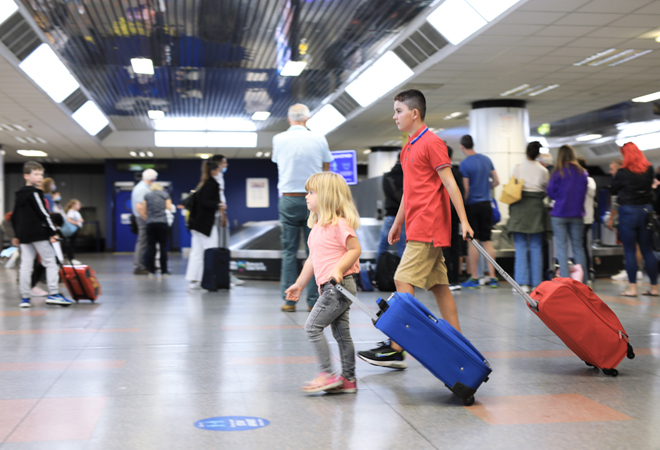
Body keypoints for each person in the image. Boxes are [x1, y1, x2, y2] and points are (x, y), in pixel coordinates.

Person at [358, 89, 474, 369]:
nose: (394, 116)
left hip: (430, 225)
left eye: (398, 111)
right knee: (439, 287)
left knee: (402, 279)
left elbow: (450, 184)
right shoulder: (408, 147)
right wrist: (398, 222)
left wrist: (465, 221)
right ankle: (460, 346)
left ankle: (398, 347)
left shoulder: (432, 143)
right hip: (416, 224)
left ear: (414, 113)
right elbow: (409, 192)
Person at [285, 172, 361, 393]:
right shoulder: (317, 227)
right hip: (331, 288)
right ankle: (348, 380)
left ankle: (327, 374)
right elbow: (312, 259)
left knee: (312, 327)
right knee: (341, 334)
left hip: (339, 286)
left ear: (327, 196)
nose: (306, 196)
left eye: (311, 192)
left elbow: (355, 249)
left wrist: (338, 269)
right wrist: (299, 284)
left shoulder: (339, 224)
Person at [272, 103, 333, 312]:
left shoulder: (278, 139)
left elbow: (278, 163)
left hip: (288, 199)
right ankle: (313, 301)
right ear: (307, 119)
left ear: (290, 119)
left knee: (289, 251)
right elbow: (326, 171)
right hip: (314, 200)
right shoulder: (319, 138)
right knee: (314, 250)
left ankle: (289, 300)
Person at [11, 161, 72, 308]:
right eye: (36, 174)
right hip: (38, 234)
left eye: (41, 174)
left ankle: (25, 298)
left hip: (25, 236)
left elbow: (15, 216)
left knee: (26, 265)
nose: (39, 177)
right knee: (50, 262)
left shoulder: (19, 194)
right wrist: (52, 232)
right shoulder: (34, 193)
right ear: (26, 176)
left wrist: (17, 235)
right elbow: (44, 213)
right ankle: (53, 293)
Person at [610, 142, 658, 297]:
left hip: (628, 212)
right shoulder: (649, 169)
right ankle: (654, 288)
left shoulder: (623, 172)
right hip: (645, 211)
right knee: (647, 250)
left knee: (630, 250)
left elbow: (614, 189)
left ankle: (632, 289)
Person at [507, 142, 550, 292]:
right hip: (537, 209)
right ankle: (537, 282)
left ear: (526, 152)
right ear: (538, 154)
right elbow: (546, 189)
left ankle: (521, 283)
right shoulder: (543, 170)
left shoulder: (517, 167)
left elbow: (511, 185)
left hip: (519, 208)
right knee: (537, 246)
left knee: (520, 246)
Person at [459, 134, 500, 288]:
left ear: (462, 147)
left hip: (472, 206)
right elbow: (496, 181)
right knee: (487, 241)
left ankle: (475, 277)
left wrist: (463, 204)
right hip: (486, 205)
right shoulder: (486, 160)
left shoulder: (464, 165)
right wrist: (486, 190)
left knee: (473, 242)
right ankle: (493, 277)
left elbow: (467, 189)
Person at [547, 145, 588, 281]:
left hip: (559, 214)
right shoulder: (582, 172)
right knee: (578, 247)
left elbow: (551, 192)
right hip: (577, 214)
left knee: (562, 248)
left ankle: (565, 280)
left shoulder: (557, 172)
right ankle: (583, 280)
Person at [185, 161, 221, 289]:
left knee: (197, 252)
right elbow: (206, 202)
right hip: (205, 224)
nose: (220, 173)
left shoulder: (202, 184)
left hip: (196, 224)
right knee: (210, 250)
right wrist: (219, 205)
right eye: (219, 170)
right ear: (213, 171)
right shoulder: (212, 184)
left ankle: (194, 279)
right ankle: (208, 280)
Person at [376, 155, 406, 262]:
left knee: (382, 246)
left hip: (390, 214)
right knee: (403, 247)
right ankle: (402, 276)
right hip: (403, 216)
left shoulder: (387, 176)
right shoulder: (407, 176)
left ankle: (378, 274)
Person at [445, 145, 465, 291]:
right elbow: (462, 193)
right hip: (456, 215)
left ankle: (447, 278)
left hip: (443, 214)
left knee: (444, 247)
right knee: (455, 246)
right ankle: (456, 279)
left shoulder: (440, 172)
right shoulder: (457, 172)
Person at [132, 168, 158, 274]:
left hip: (143, 218)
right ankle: (139, 266)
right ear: (153, 179)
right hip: (143, 218)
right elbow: (140, 206)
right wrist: (146, 219)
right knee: (142, 242)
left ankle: (145, 264)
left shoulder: (142, 187)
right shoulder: (142, 189)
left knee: (145, 243)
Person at [144, 182, 172, 276]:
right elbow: (169, 207)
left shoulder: (147, 195)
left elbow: (144, 210)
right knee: (163, 247)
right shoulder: (165, 194)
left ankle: (151, 270)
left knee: (151, 247)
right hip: (162, 223)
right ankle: (164, 271)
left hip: (150, 223)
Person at [577, 156, 597, 285]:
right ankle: (582, 273)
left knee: (582, 247)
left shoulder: (589, 180)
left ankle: (586, 274)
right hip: (580, 217)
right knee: (580, 247)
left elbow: (591, 192)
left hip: (585, 219)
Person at [64, 199, 84, 264]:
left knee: (73, 244)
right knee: (71, 244)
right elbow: (68, 219)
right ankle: (71, 259)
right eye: (78, 204)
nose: (79, 206)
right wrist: (75, 222)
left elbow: (80, 219)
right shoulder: (71, 211)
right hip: (73, 230)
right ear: (73, 205)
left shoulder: (75, 212)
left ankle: (71, 258)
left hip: (76, 229)